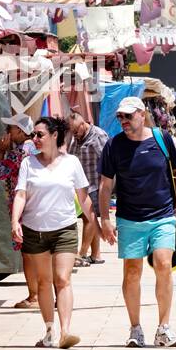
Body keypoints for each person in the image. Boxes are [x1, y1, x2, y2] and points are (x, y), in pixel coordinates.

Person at [98, 96, 176, 347]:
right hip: (129, 218)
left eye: (128, 116)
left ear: (141, 114)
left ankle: (164, 328)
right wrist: (105, 219)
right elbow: (105, 185)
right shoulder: (114, 145)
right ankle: (135, 328)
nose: (123, 121)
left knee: (163, 264)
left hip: (162, 215)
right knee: (132, 272)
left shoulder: (162, 138)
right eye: (120, 117)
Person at [11, 117, 92, 349]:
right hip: (34, 230)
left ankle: (66, 331)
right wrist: (15, 221)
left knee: (63, 279)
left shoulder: (71, 162)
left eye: (39, 135)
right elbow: (20, 194)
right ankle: (49, 330)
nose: (34, 139)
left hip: (65, 228)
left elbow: (83, 196)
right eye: (33, 135)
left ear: (55, 135)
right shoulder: (28, 163)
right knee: (44, 282)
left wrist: (98, 223)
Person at [0, 112, 37, 308]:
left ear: (19, 131)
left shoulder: (17, 152)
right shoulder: (36, 147)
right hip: (38, 205)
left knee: (28, 253)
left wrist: (0, 151)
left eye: (10, 128)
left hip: (22, 209)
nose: (7, 132)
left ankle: (34, 296)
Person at [66, 109, 109, 267]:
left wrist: (106, 186)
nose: (74, 134)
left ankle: (81, 253)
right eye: (72, 132)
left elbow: (107, 160)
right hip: (80, 186)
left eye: (75, 131)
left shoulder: (98, 135)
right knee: (91, 218)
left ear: (83, 124)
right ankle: (96, 255)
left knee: (89, 218)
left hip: (94, 184)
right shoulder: (77, 137)